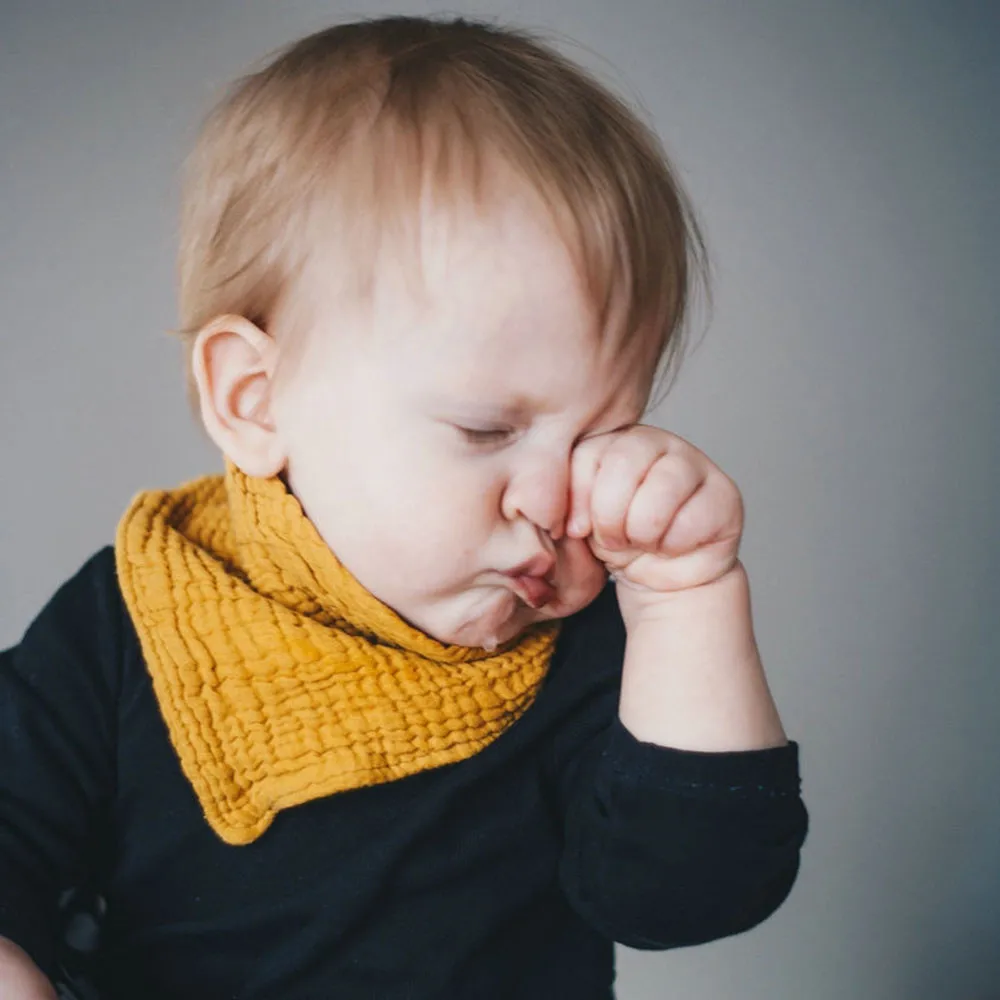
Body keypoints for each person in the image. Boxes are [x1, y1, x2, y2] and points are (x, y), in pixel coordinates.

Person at [0, 15, 808, 999]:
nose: (555, 501)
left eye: (602, 435)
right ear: (256, 402)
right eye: (484, 430)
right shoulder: (139, 618)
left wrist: (688, 601)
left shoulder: (584, 641)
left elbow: (689, 898)